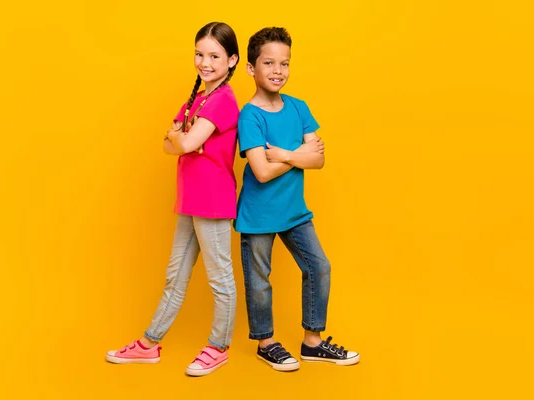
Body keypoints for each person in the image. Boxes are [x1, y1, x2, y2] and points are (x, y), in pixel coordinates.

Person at [106, 21, 240, 377]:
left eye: (214, 55)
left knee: (219, 278)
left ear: (232, 60)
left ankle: (219, 346)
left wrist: (180, 136)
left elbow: (181, 142)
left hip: (212, 200)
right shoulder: (198, 98)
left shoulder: (225, 99)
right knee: (175, 275)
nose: (204, 62)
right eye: (199, 54)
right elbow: (171, 145)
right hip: (191, 199)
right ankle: (149, 344)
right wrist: (180, 138)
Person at [235, 26, 360, 372]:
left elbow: (318, 158)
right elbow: (260, 171)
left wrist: (285, 155)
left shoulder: (299, 107)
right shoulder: (250, 115)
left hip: (294, 212)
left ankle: (313, 343)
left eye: (284, 63)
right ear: (251, 68)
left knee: (318, 266)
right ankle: (266, 342)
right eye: (269, 63)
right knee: (260, 280)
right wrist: (298, 153)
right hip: (258, 214)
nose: (278, 71)